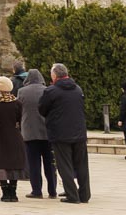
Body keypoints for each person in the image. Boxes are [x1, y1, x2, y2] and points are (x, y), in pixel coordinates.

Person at [38, 63, 90, 204]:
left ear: (54, 75)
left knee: (64, 164)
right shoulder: (78, 89)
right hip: (79, 132)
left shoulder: (51, 91)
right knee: (82, 164)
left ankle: (72, 195)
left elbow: (42, 109)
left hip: (60, 133)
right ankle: (85, 195)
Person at [18, 67, 56, 199]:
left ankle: (36, 190)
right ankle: (52, 190)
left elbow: (19, 110)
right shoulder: (47, 90)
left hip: (29, 132)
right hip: (47, 131)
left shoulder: (22, 91)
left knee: (33, 163)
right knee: (50, 163)